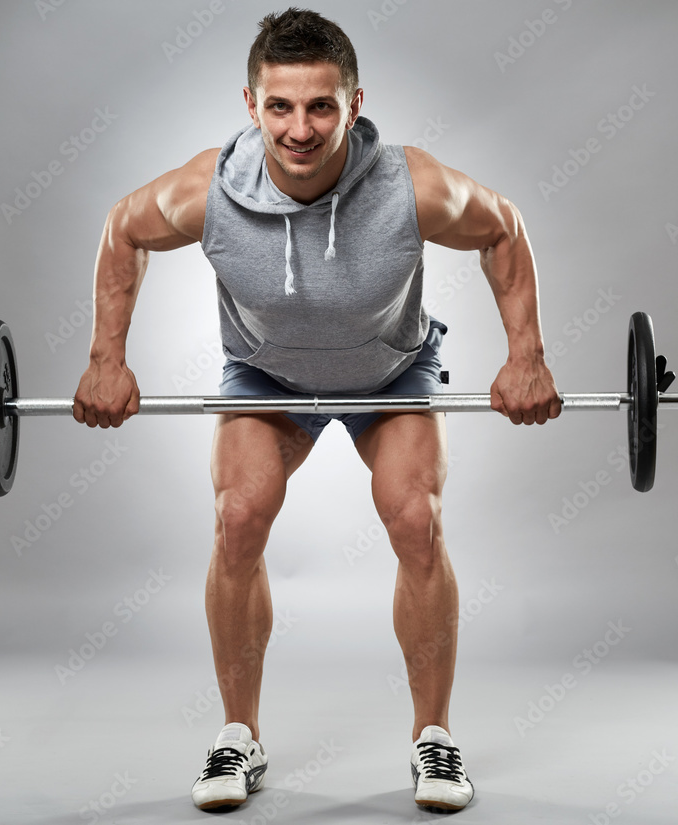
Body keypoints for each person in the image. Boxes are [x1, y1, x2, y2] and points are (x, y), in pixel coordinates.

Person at [73, 7, 560, 814]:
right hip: (266, 378)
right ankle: (238, 735)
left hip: (392, 374)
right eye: (281, 107)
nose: (301, 129)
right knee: (238, 516)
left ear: (355, 103)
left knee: (417, 519)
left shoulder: (413, 185)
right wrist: (104, 359)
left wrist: (527, 354)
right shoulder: (210, 190)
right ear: (251, 103)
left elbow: (502, 228)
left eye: (321, 106)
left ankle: (433, 737)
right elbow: (122, 230)